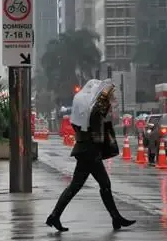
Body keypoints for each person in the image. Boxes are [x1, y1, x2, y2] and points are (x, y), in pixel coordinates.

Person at [46, 79, 136, 232]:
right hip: (90, 152)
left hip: (85, 151)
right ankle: (116, 218)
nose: (112, 97)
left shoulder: (89, 112)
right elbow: (99, 134)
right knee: (102, 184)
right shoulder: (96, 112)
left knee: (80, 186)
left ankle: (55, 216)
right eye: (110, 95)